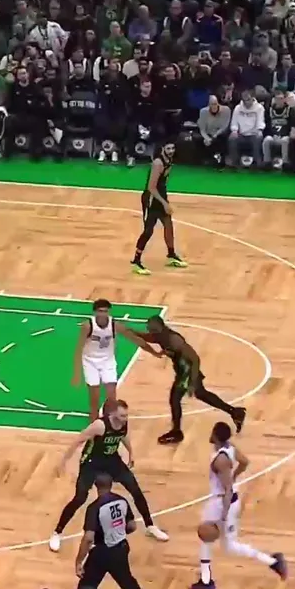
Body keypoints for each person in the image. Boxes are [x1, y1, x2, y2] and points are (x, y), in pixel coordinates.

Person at [49, 399, 168, 552]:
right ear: (113, 414)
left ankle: (150, 526)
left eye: (126, 415)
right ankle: (57, 532)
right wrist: (63, 462)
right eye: (122, 416)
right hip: (92, 462)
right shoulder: (100, 426)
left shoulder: (123, 423)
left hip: (112, 460)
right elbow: (79, 439)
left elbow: (123, 436)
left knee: (135, 489)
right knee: (80, 498)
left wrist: (131, 452)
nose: (125, 418)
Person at [192, 422, 288, 589]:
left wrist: (223, 515)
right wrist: (235, 475)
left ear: (215, 436)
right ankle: (272, 562)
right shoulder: (230, 448)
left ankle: (207, 580)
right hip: (228, 502)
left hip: (222, 503)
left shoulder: (221, 460)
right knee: (222, 544)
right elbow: (244, 462)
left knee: (211, 538)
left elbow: (228, 489)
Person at [144, 315, 246, 445]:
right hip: (183, 371)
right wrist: (130, 332)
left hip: (187, 372)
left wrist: (192, 382)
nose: (148, 328)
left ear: (158, 327)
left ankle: (176, 432)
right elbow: (148, 338)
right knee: (201, 394)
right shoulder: (160, 335)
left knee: (175, 398)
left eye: (150, 326)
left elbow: (195, 359)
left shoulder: (174, 339)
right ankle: (235, 412)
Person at [73, 472, 157, 589]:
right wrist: (117, 532)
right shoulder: (122, 501)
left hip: (101, 554)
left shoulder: (95, 507)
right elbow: (132, 526)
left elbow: (88, 538)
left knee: (86, 587)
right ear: (111, 485)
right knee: (130, 586)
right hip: (121, 549)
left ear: (95, 485)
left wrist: (79, 561)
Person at [72, 299, 160, 420]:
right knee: (94, 401)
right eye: (100, 311)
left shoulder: (115, 325)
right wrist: (77, 373)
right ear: (95, 312)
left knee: (112, 398)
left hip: (107, 361)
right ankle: (94, 427)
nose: (103, 314)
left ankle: (110, 425)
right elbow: (79, 349)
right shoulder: (87, 326)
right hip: (90, 362)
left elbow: (135, 339)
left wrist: (154, 352)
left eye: (105, 311)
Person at [131, 141, 187, 275]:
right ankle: (136, 261)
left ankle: (171, 255)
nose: (171, 151)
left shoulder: (169, 161)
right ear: (162, 149)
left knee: (168, 224)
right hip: (151, 199)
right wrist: (164, 203)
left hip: (160, 196)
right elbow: (151, 187)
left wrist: (165, 200)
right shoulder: (158, 163)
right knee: (148, 231)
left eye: (173, 148)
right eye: (168, 148)